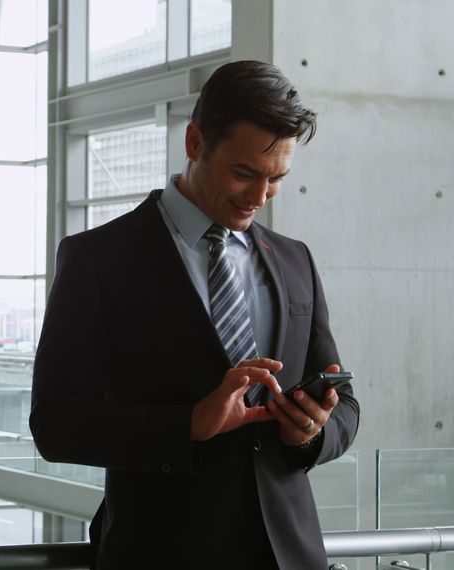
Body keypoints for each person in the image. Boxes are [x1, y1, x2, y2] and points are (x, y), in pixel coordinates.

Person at [30, 60, 360, 569]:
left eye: (275, 180)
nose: (258, 198)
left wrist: (312, 431)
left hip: (290, 554)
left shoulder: (296, 259)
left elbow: (345, 402)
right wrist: (188, 424)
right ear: (194, 142)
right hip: (161, 552)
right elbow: (55, 424)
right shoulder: (97, 259)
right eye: (244, 173)